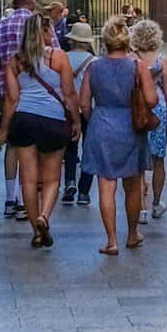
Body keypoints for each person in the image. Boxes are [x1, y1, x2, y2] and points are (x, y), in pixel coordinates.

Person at [78, 19, 159, 254]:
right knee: (132, 186)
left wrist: (94, 118)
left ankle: (111, 240)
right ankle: (132, 233)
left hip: (102, 126)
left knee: (106, 186)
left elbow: (84, 103)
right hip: (130, 126)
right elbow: (152, 100)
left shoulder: (93, 67)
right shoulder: (137, 66)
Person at [2, 12, 78, 248]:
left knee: (28, 179)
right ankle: (44, 216)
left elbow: (12, 98)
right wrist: (76, 121)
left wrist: (4, 128)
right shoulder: (59, 57)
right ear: (45, 32)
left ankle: (36, 230)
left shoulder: (15, 61)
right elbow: (69, 93)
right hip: (53, 120)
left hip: (24, 119)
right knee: (52, 178)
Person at [0, 0, 37, 219]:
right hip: (34, 93)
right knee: (31, 148)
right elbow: (53, 56)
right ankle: (25, 202)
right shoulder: (37, 25)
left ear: (14, 3)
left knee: (12, 145)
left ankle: (10, 199)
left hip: (7, 94)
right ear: (31, 3)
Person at [131, 18, 167, 219]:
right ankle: (156, 204)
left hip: (137, 108)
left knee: (139, 162)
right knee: (159, 161)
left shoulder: (132, 59)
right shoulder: (162, 60)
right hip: (158, 110)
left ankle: (141, 208)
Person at [61, 21, 98, 207]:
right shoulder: (94, 61)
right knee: (89, 150)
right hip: (88, 109)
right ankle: (84, 191)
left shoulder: (63, 58)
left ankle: (69, 181)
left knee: (70, 148)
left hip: (68, 109)